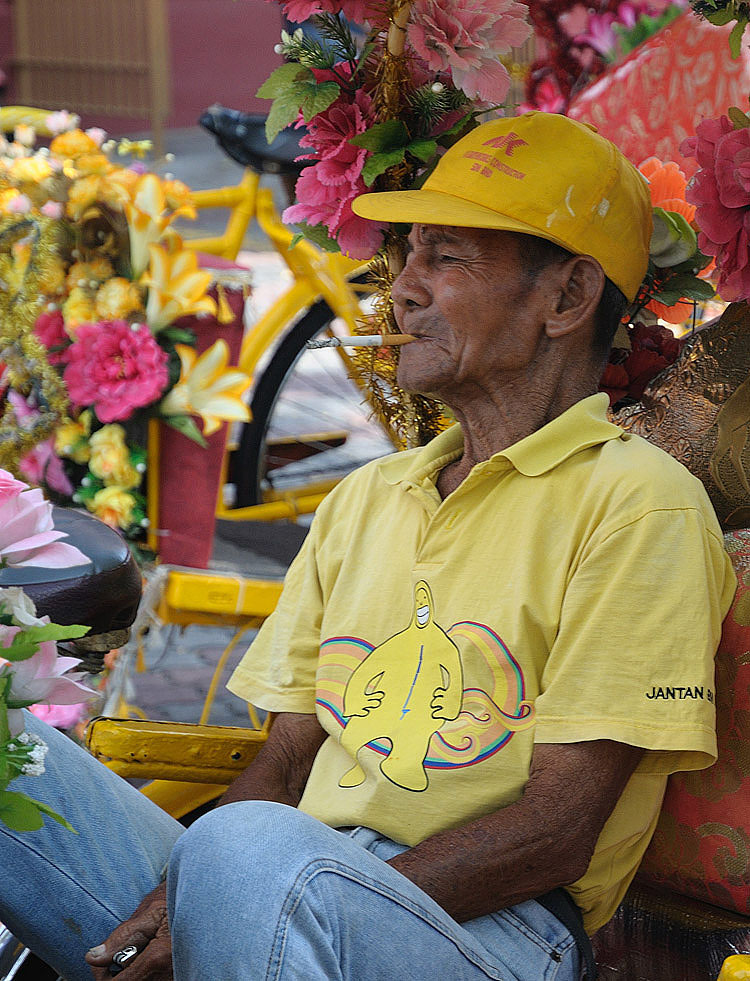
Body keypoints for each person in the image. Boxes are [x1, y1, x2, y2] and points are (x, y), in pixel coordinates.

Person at [0, 111, 736, 981]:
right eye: (409, 252)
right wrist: (179, 900)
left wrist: (277, 886)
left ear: (567, 299)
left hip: (493, 934)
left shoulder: (639, 507)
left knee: (247, 849)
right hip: (282, 879)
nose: (404, 288)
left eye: (446, 257)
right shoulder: (370, 497)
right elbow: (281, 762)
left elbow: (555, 833)